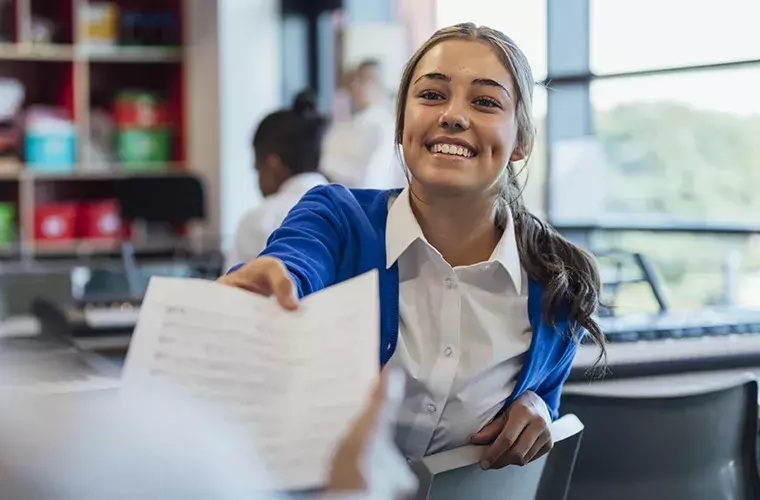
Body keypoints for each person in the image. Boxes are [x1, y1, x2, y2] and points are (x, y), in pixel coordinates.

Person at [219, 22, 606, 469]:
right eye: (432, 95)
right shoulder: (337, 216)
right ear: (403, 123)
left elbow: (543, 402)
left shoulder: (557, 283)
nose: (453, 116)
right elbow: (295, 261)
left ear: (520, 141)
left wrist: (541, 411)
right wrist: (272, 280)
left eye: (484, 101)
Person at [230, 90, 331, 267]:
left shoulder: (260, 221)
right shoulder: (349, 213)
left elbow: (229, 291)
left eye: (257, 169)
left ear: (272, 165)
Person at [320, 59, 406, 190]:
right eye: (356, 79)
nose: (357, 85)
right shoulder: (346, 123)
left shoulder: (383, 126)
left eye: (365, 79)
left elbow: (369, 177)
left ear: (380, 85)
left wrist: (326, 164)